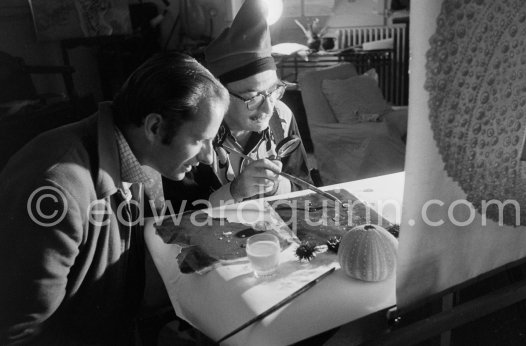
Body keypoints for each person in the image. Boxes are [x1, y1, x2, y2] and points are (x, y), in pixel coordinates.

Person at [0, 52, 228, 345]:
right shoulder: (55, 191)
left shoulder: (143, 156)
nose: (209, 157)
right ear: (155, 127)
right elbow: (18, 332)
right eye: (199, 140)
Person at [163, 0, 312, 211]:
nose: (268, 109)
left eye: (273, 91)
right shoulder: (194, 133)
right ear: (219, 94)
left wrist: (275, 186)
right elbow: (179, 217)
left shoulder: (282, 116)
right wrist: (235, 191)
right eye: (253, 97)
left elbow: (306, 189)